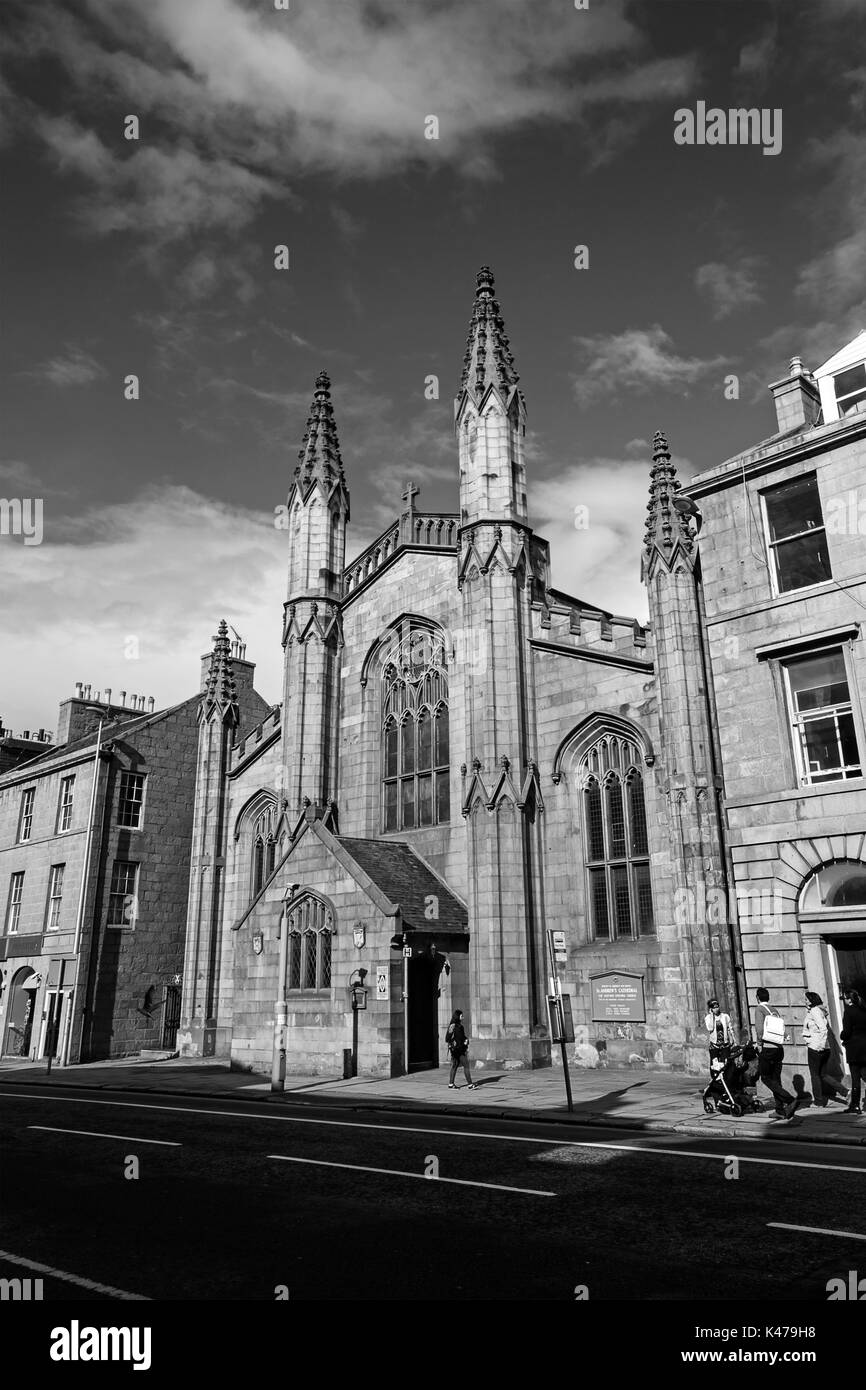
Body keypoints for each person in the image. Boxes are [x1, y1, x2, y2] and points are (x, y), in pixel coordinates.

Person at [753, 987, 797, 1119]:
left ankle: (789, 1100)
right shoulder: (774, 1010)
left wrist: (759, 1044)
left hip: (768, 1048)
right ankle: (780, 1110)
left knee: (765, 1078)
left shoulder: (759, 1009)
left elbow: (759, 1029)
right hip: (778, 1048)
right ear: (768, 997)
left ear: (757, 998)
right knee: (776, 1079)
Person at [801, 990, 848, 1107]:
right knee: (823, 1075)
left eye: (806, 999)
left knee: (815, 1075)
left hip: (816, 1047)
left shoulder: (814, 1011)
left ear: (812, 1001)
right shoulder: (819, 1011)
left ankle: (818, 1101)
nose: (805, 1001)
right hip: (824, 1048)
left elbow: (823, 1029)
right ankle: (845, 1092)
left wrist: (818, 1046)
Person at [840, 987, 866, 1115]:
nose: (843, 1000)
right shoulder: (864, 1009)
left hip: (854, 1049)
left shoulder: (849, 1011)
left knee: (855, 1077)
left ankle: (855, 1105)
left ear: (849, 1000)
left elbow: (847, 1031)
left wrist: (842, 1036)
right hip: (865, 1047)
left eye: (844, 998)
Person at [445, 1009, 476, 1090]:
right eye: (461, 1016)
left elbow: (449, 1038)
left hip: (456, 1049)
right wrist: (463, 1042)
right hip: (458, 1050)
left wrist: (464, 1040)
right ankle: (470, 1085)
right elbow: (453, 1038)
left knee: (454, 1066)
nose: (463, 1017)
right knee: (466, 1065)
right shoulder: (456, 1026)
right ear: (458, 1017)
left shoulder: (455, 1026)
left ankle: (451, 1084)